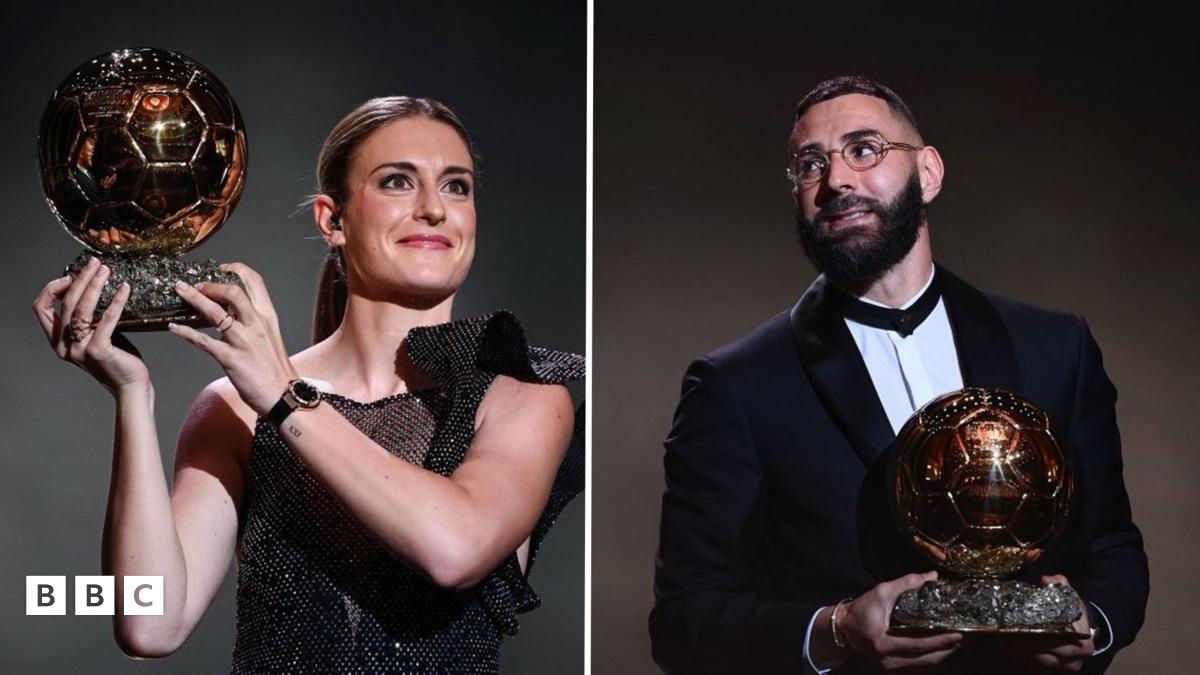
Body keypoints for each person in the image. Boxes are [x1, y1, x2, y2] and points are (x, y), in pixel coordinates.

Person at [32, 96, 584, 673]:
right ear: (332, 220)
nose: (433, 209)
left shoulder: (523, 396)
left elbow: (455, 550)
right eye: (397, 182)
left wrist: (284, 395)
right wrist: (132, 396)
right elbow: (148, 623)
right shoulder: (234, 411)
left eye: (456, 186)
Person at [649, 76, 1147, 674]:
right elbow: (683, 621)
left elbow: (1112, 548)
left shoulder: (1057, 347)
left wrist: (1093, 624)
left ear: (928, 173)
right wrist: (835, 629)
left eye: (864, 149)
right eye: (810, 164)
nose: (837, 180)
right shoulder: (736, 384)